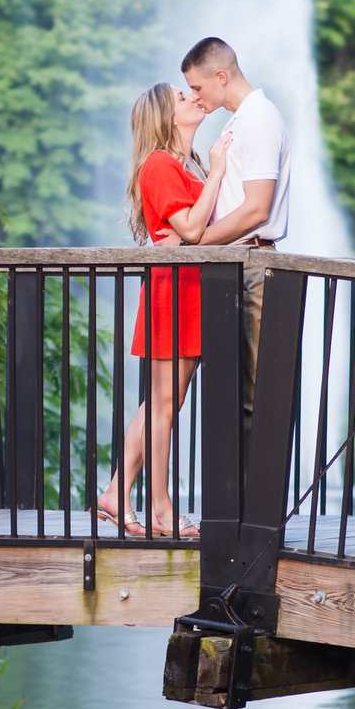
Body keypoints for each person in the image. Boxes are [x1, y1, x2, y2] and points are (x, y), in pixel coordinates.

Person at [99, 83, 229, 535]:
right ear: (167, 117)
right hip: (173, 291)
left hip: (190, 289)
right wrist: (217, 171)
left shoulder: (182, 164)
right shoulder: (159, 164)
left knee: (162, 402)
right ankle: (159, 506)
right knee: (164, 404)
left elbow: (191, 231)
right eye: (181, 96)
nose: (193, 97)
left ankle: (117, 493)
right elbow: (191, 229)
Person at [180, 35, 290, 431]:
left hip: (252, 267)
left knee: (254, 394)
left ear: (221, 76)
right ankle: (236, 492)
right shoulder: (239, 120)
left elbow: (257, 208)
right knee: (232, 392)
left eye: (197, 87)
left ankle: (255, 492)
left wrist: (196, 242)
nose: (195, 97)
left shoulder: (259, 119)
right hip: (233, 267)